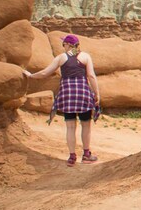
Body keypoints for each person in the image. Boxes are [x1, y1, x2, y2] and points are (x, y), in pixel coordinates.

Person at [24, 34, 101, 167]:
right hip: (83, 94)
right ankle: (86, 155)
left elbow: (44, 73)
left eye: (64, 44)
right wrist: (97, 93)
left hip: (67, 94)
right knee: (86, 125)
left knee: (70, 126)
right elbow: (91, 76)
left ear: (68, 45)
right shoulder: (85, 56)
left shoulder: (61, 58)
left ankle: (72, 157)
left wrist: (30, 75)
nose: (63, 46)